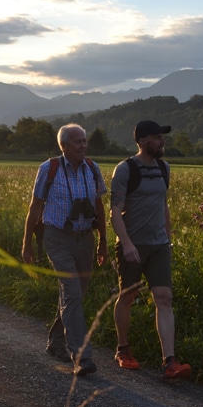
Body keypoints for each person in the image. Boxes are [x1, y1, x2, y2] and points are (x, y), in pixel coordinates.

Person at [22, 123, 108, 377]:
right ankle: (82, 357)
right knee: (71, 292)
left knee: (76, 295)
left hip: (85, 238)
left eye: (84, 141)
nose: (83, 145)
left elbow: (99, 207)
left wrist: (103, 240)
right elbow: (34, 207)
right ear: (64, 146)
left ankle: (56, 342)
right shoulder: (49, 169)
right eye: (78, 141)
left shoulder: (92, 169)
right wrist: (26, 243)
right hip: (57, 238)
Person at [109, 120, 192, 380]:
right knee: (128, 296)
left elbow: (163, 205)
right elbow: (115, 212)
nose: (162, 142)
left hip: (159, 246)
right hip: (132, 244)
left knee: (164, 298)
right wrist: (127, 244)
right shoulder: (125, 169)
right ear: (143, 141)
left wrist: (168, 239)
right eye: (157, 138)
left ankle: (170, 361)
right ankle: (123, 349)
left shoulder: (164, 168)